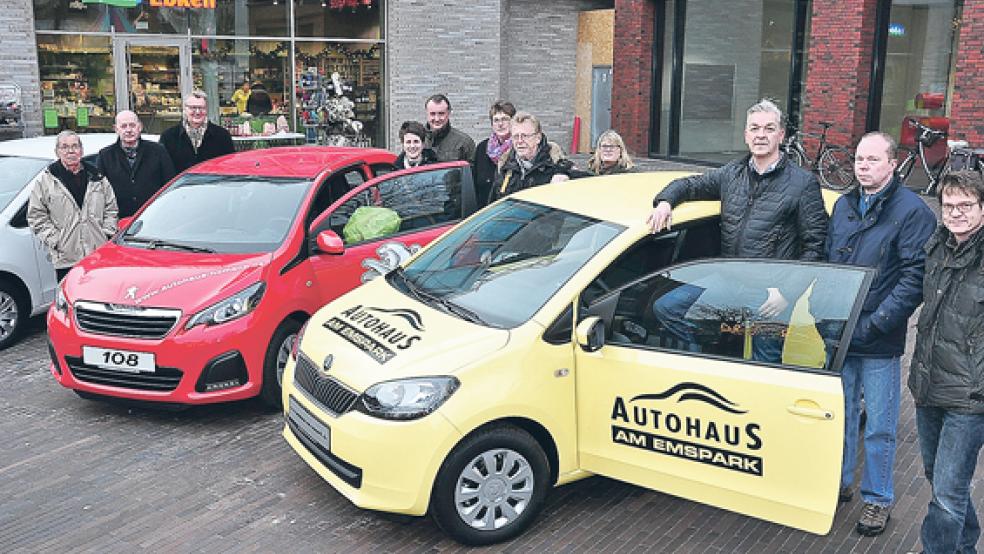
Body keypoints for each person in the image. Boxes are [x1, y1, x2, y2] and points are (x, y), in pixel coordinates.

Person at [646, 99, 827, 362]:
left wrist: (788, 293)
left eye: (768, 128)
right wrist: (664, 202)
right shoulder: (731, 174)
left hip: (771, 294)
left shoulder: (803, 183)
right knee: (666, 308)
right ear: (745, 135)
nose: (760, 135)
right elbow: (689, 185)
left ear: (781, 134)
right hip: (728, 281)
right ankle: (709, 359)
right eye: (754, 128)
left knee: (764, 361)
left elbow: (816, 245)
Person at [826, 131, 936, 537]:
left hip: (878, 337)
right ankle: (839, 482)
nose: (863, 166)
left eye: (873, 159)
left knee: (880, 425)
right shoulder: (844, 204)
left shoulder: (913, 212)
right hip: (839, 331)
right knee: (840, 414)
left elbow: (914, 277)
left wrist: (876, 324)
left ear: (893, 164)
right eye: (858, 159)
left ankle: (877, 499)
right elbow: (828, 261)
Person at [909, 170, 984, 554]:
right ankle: (966, 546)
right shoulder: (937, 246)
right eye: (949, 205)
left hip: (969, 397)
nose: (955, 213)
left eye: (966, 205)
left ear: (983, 209)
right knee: (938, 479)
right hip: (928, 384)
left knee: (947, 492)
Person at [27, 131, 118, 281]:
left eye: (75, 146)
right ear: (57, 152)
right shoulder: (46, 181)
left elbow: (111, 208)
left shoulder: (97, 178)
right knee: (70, 299)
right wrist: (56, 240)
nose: (70, 151)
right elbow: (36, 215)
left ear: (81, 150)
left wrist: (106, 233)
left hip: (97, 254)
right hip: (66, 258)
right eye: (64, 147)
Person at [96, 110, 176, 218]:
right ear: (116, 129)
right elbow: (100, 193)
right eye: (124, 126)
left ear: (140, 127)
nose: (128, 130)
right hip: (119, 222)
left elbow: (170, 185)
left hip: (154, 218)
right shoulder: (105, 156)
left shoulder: (158, 151)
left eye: (132, 125)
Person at [488, 111, 574, 204]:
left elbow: (587, 184)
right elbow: (492, 205)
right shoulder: (504, 166)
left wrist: (566, 176)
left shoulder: (556, 163)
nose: (520, 141)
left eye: (525, 136)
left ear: (538, 138)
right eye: (516, 136)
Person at [160, 90, 235, 174]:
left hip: (213, 185)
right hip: (181, 186)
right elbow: (164, 170)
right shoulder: (168, 136)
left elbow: (229, 167)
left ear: (206, 110)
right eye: (193, 107)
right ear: (184, 109)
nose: (198, 112)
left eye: (201, 108)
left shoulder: (222, 135)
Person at [473, 100, 516, 207]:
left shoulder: (519, 148)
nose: (500, 124)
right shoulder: (482, 148)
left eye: (505, 119)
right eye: (496, 120)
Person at [424, 94, 476, 162]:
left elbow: (472, 171)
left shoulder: (464, 142)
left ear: (449, 113)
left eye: (441, 113)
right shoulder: (414, 140)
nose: (437, 119)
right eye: (432, 114)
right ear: (426, 113)